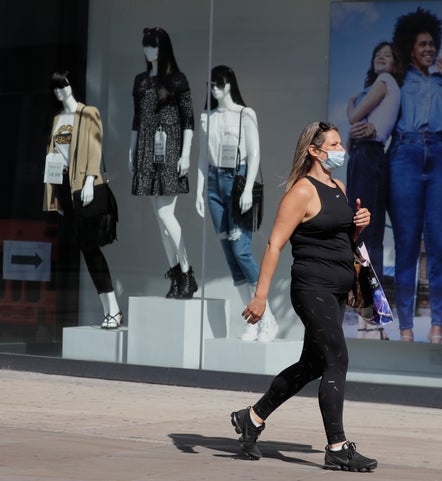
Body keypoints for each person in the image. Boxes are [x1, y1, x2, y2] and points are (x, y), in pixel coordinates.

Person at [230, 121, 377, 471]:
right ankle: (337, 446)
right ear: (315, 150)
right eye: (335, 145)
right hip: (312, 289)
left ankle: (252, 417)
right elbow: (274, 244)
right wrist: (260, 297)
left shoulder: (338, 186)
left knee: (312, 365)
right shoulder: (301, 192)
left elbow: (342, 240)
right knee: (336, 359)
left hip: (338, 288)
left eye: (342, 144)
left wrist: (359, 225)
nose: (341, 150)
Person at [389, 7, 442, 343]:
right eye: (422, 43)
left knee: (439, 245)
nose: (429, 48)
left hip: (441, 156)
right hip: (403, 155)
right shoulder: (398, 80)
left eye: (432, 43)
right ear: (410, 47)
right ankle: (405, 328)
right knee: (405, 245)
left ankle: (437, 327)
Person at [196, 65, 278, 342]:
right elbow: (202, 158)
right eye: (211, 84)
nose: (214, 89)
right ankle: (253, 319)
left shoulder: (245, 114)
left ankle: (267, 317)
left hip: (238, 178)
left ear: (229, 84)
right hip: (214, 182)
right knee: (231, 257)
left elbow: (255, 154)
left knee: (242, 251)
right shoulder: (206, 117)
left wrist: (247, 189)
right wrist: (199, 191)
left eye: (218, 84)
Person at [43, 70, 122, 329]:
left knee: (90, 249)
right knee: (85, 250)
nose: (58, 91)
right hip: (65, 188)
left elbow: (94, 147)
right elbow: (52, 155)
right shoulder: (57, 119)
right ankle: (110, 309)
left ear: (71, 85)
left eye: (62, 85)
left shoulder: (88, 113)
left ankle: (113, 308)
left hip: (83, 187)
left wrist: (90, 179)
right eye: (54, 87)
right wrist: (54, 195)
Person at [129, 26, 197, 299]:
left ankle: (187, 272)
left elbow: (188, 120)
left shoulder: (177, 80)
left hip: (170, 147)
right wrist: (131, 150)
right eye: (145, 45)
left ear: (163, 48)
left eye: (153, 45)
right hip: (147, 148)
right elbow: (136, 119)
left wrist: (186, 155)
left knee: (166, 214)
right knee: (160, 221)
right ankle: (176, 275)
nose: (148, 50)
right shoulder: (140, 81)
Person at [345, 41, 402, 340]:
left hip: (369, 157)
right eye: (377, 54)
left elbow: (353, 118)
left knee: (366, 237)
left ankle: (371, 316)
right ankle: (368, 315)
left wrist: (352, 104)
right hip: (363, 157)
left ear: (394, 64)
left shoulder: (385, 82)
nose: (382, 58)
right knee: (362, 237)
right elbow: (352, 134)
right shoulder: (379, 86)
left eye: (387, 55)